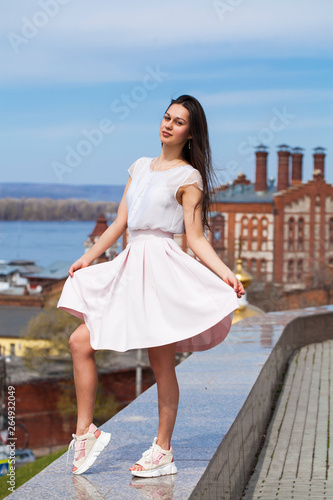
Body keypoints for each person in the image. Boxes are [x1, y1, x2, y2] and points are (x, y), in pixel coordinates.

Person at [58, 94, 245, 478]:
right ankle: (85, 432)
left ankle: (163, 449)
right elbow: (119, 224)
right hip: (130, 265)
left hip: (160, 271)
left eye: (178, 122)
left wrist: (225, 272)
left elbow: (195, 238)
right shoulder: (139, 167)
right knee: (80, 342)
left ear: (190, 135)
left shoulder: (188, 178)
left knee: (161, 364)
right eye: (167, 117)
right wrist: (87, 258)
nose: (168, 125)